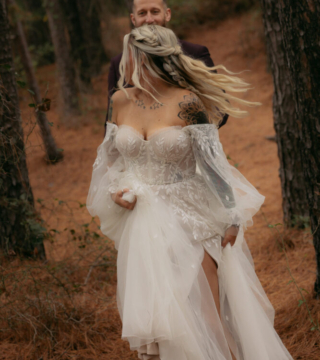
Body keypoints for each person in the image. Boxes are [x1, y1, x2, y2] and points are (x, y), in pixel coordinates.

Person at [87, 25, 294, 360]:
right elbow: (110, 159)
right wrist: (115, 191)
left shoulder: (188, 102)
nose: (126, 65)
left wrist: (231, 216)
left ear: (152, 59)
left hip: (190, 217)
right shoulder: (120, 101)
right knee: (166, 326)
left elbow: (214, 163)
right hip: (142, 227)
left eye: (134, 57)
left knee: (209, 319)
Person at [104, 0, 228, 137]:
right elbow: (111, 125)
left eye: (155, 11)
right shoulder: (120, 63)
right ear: (133, 19)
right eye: (142, 13)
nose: (149, 19)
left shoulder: (194, 53)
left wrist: (179, 137)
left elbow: (220, 109)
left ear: (167, 14)